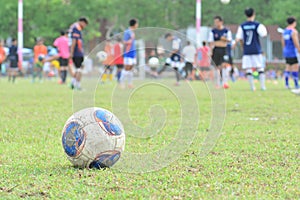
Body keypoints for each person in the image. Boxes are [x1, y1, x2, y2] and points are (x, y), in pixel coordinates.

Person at [235, 8, 268, 91]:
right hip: (256, 49)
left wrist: (237, 45)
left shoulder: (242, 26)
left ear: (245, 15)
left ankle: (252, 87)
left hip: (247, 50)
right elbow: (264, 34)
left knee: (248, 69)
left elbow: (239, 38)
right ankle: (263, 86)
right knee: (260, 68)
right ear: (254, 14)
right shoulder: (257, 25)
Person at [208, 16, 232, 88]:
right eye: (215, 22)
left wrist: (223, 39)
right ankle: (217, 83)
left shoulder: (226, 31)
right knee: (217, 67)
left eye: (217, 22)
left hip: (224, 49)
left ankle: (225, 83)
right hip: (216, 50)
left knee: (224, 66)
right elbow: (211, 42)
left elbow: (229, 40)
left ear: (221, 22)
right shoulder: (213, 31)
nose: (216, 23)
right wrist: (211, 51)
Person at [70, 17, 89, 90]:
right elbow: (74, 40)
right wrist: (71, 52)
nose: (84, 26)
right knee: (79, 69)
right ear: (82, 22)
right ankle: (77, 85)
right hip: (77, 52)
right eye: (85, 24)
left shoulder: (74, 27)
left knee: (80, 68)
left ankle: (73, 82)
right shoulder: (76, 28)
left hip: (78, 52)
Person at [282, 16, 300, 89]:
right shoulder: (294, 31)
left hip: (286, 51)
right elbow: (296, 42)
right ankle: (296, 84)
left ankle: (286, 84)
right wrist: (299, 49)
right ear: (294, 22)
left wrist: (285, 49)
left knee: (288, 67)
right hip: (293, 51)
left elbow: (283, 42)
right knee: (295, 67)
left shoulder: (284, 31)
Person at [121, 18, 138, 89]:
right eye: (137, 23)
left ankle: (130, 84)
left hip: (133, 53)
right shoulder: (127, 32)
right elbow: (124, 42)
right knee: (126, 69)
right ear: (134, 24)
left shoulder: (132, 32)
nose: (137, 25)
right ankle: (121, 83)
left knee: (131, 69)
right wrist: (130, 40)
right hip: (128, 53)